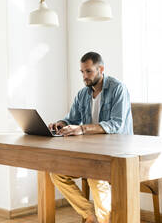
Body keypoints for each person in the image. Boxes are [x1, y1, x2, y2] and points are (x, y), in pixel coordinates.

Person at [48, 52, 133, 223]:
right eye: (82, 72)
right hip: (91, 153)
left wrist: (81, 129)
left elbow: (116, 124)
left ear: (100, 69)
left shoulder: (118, 89)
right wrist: (60, 124)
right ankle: (89, 215)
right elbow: (71, 118)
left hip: (117, 152)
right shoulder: (83, 94)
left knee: (95, 175)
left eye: (88, 71)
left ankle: (104, 220)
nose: (84, 76)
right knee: (56, 173)